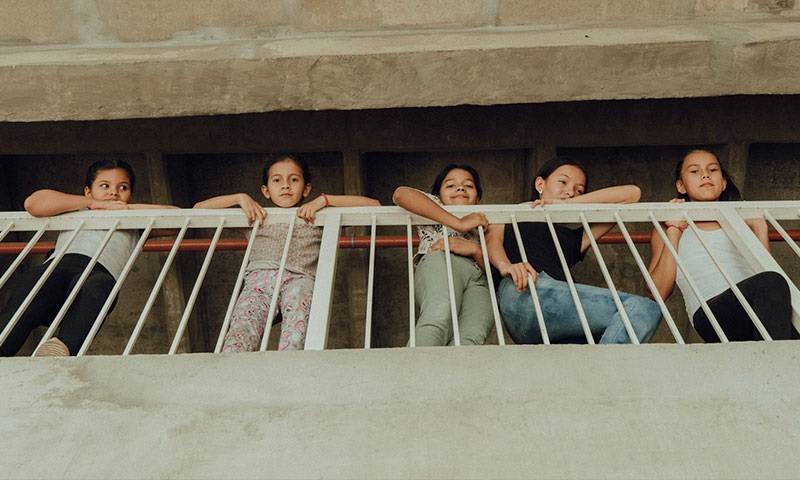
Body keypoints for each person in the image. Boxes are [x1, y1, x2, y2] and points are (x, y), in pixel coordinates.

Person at [195, 153, 379, 352]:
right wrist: (239, 198)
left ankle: (290, 361)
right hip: (259, 282)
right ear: (266, 191)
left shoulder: (316, 217)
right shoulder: (256, 216)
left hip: (299, 279)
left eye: (294, 180)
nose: (285, 186)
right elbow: (199, 209)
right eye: (277, 180)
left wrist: (324, 201)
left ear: (306, 188)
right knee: (242, 329)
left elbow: (373, 205)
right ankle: (234, 363)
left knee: (297, 316)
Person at [0, 159, 175, 357]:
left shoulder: (136, 222)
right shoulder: (76, 209)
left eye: (123, 187)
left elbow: (177, 218)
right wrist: (92, 204)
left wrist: (127, 209)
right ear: (88, 191)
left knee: (100, 284)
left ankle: (59, 349)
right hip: (58, 269)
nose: (114, 192)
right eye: (105, 186)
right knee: (37, 280)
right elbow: (33, 203)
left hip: (94, 283)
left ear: (130, 195)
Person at [486, 156, 662, 344]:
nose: (570, 192)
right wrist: (505, 266)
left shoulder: (575, 238)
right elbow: (492, 240)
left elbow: (632, 194)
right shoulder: (508, 214)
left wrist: (568, 204)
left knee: (635, 320)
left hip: (556, 312)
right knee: (642, 308)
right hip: (525, 292)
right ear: (540, 184)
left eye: (579, 190)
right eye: (563, 182)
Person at [648, 148, 795, 342]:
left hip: (755, 308)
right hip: (710, 314)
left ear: (723, 183)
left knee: (773, 289)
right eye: (695, 171)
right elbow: (658, 291)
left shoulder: (741, 222)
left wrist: (760, 228)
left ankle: (773, 358)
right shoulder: (667, 226)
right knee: (770, 282)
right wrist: (675, 229)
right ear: (681, 186)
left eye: (713, 170)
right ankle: (774, 359)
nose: (705, 175)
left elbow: (770, 284)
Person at [393, 164, 494, 346]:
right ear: (438, 196)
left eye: (469, 185)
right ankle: (414, 365)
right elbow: (400, 194)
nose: (460, 188)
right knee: (438, 317)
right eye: (450, 185)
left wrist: (476, 250)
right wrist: (458, 223)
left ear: (478, 199)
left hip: (479, 276)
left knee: (471, 336)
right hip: (441, 260)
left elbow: (495, 268)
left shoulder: (486, 219)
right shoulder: (435, 206)